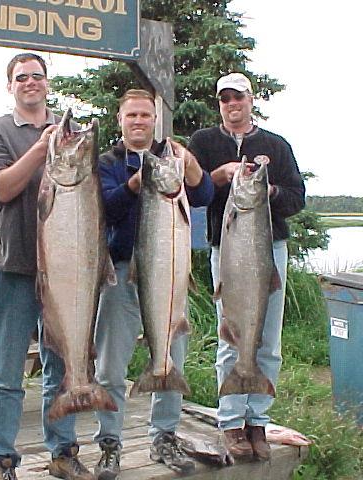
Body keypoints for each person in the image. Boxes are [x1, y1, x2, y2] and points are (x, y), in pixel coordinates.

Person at [0, 53, 92, 480]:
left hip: (66, 271)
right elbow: (0, 190)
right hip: (15, 265)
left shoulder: (73, 132)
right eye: (21, 77)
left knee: (60, 363)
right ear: (10, 86)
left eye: (37, 77)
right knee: (6, 369)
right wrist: (41, 149)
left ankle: (63, 451)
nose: (30, 83)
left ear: (47, 83)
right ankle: (1, 459)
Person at [92, 89, 214, 479]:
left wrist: (191, 166)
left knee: (171, 356)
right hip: (122, 271)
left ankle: (165, 436)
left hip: (170, 275)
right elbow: (105, 209)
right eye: (132, 116)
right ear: (120, 120)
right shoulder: (108, 162)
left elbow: (205, 194)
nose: (139, 121)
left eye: (146, 115)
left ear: (155, 120)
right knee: (110, 365)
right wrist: (134, 183)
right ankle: (109, 443)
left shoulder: (171, 156)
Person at [188, 72, 305, 461]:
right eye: (224, 99)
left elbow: (296, 199)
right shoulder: (204, 142)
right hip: (228, 250)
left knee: (266, 337)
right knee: (231, 334)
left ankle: (259, 420)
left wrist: (267, 188)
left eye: (237, 97)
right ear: (218, 104)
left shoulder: (276, 145)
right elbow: (190, 191)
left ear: (251, 99)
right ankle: (231, 422)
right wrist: (215, 178)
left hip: (268, 250)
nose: (231, 105)